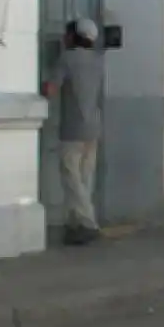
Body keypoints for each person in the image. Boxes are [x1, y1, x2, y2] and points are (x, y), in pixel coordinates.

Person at [43, 18, 105, 246]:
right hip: (93, 128)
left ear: (73, 36)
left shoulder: (67, 58)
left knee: (71, 178)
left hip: (73, 129)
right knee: (85, 179)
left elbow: (50, 89)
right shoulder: (98, 60)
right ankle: (75, 225)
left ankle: (88, 223)